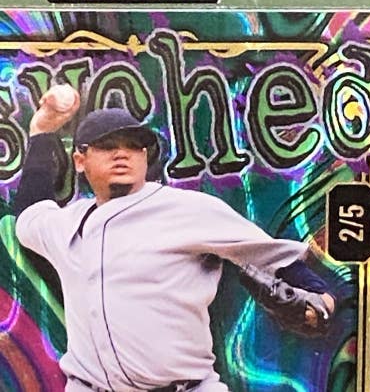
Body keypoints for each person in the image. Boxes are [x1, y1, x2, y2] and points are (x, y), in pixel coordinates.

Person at [14, 87, 335, 392]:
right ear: (80, 160)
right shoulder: (66, 225)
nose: (122, 154)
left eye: (133, 146)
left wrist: (319, 301)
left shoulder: (188, 209)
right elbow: (30, 211)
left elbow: (274, 258)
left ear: (144, 157)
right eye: (108, 146)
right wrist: (42, 131)